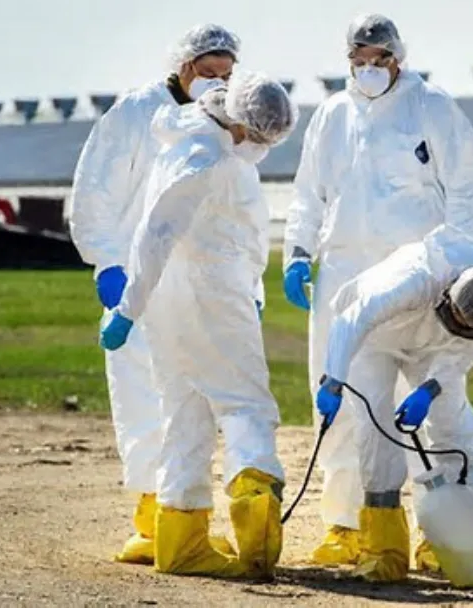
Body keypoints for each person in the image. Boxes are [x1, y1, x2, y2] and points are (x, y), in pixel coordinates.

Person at [281, 13, 473, 567]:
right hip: (345, 277)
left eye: (379, 58)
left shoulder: (434, 107)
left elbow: (468, 190)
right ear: (347, 61)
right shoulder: (330, 115)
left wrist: (462, 263)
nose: (370, 69)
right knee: (347, 403)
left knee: (433, 405)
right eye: (359, 60)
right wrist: (298, 253)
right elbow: (308, 194)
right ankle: (347, 524)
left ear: (399, 57)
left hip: (422, 277)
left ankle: (440, 528)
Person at [98, 72, 298, 579]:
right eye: (259, 137)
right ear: (240, 124)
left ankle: (182, 539)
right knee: (247, 406)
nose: (258, 147)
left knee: (185, 412)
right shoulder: (206, 159)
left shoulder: (190, 142)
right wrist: (126, 308)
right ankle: (256, 525)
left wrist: (137, 307)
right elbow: (155, 235)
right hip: (213, 295)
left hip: (172, 303)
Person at [68, 23, 241, 565]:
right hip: (134, 279)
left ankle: (183, 514)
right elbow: (94, 191)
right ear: (183, 66)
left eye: (226, 75)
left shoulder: (216, 119)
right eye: (208, 72)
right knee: (143, 396)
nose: (216, 82)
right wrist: (106, 265)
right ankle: (152, 518)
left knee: (191, 399)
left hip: (192, 282)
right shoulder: (134, 112)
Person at [314, 224, 473, 582]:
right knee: (375, 424)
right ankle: (383, 548)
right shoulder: (410, 281)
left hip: (437, 349)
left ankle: (471, 539)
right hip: (376, 340)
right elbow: (351, 321)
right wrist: (334, 379)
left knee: (453, 423)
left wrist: (431, 389)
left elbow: (465, 353)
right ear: (445, 295)